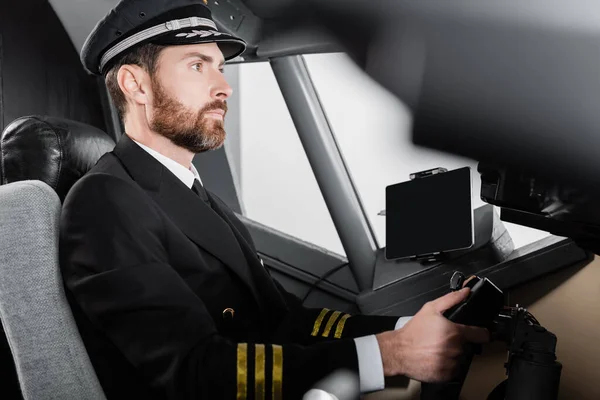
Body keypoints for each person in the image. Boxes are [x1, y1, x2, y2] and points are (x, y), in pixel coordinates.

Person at [60, 0, 490, 399]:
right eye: (197, 65)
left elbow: (285, 319)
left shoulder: (192, 194)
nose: (224, 86)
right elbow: (195, 371)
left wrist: (405, 329)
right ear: (135, 84)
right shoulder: (104, 203)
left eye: (221, 68)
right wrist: (389, 355)